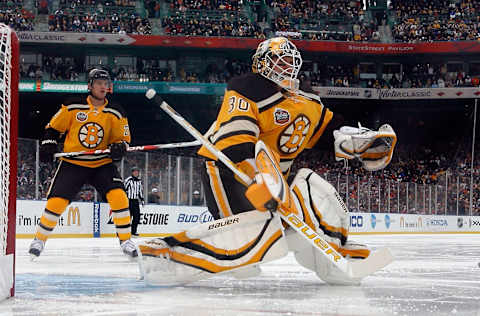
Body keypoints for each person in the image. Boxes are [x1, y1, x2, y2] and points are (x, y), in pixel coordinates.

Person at [138, 37, 396, 285]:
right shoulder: (247, 87)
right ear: (261, 63)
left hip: (274, 179)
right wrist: (258, 178)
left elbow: (327, 135)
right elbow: (237, 141)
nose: (286, 67)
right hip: (229, 171)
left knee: (316, 190)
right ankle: (166, 252)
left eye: (289, 61)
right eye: (278, 61)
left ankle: (332, 254)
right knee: (252, 237)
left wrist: (359, 145)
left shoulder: (307, 99)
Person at [28, 68, 138, 259]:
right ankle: (39, 240)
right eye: (99, 83)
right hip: (73, 162)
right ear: (90, 86)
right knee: (56, 202)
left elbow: (122, 139)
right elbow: (53, 128)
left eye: (106, 83)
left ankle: (126, 241)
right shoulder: (72, 105)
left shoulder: (116, 111)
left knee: (119, 197)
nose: (103, 87)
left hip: (101, 163)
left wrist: (119, 147)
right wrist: (49, 141)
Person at [124, 166, 144, 236]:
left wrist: (142, 199)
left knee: (137, 217)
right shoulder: (128, 180)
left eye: (137, 172)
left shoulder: (139, 181)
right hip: (128, 200)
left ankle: (133, 232)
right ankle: (125, 232)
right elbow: (124, 189)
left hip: (135, 201)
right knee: (127, 217)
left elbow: (140, 191)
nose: (136, 173)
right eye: (135, 172)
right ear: (132, 172)